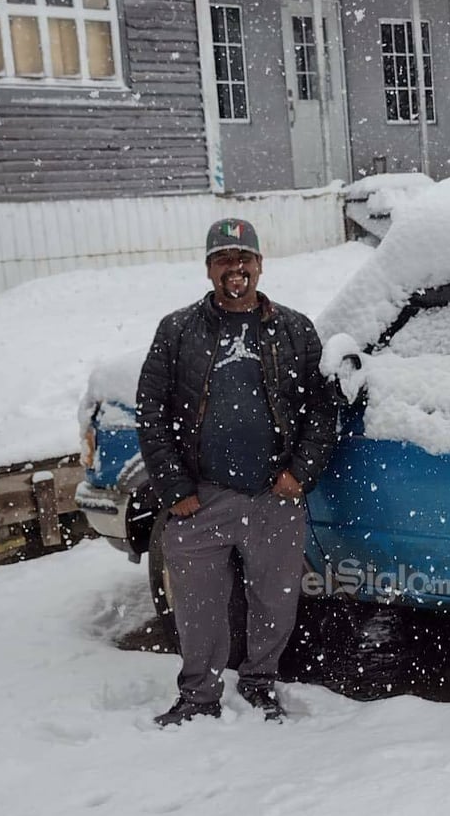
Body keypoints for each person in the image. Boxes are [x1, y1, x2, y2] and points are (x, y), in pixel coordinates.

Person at [136, 218, 338, 727]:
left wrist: (299, 473)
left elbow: (321, 408)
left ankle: (260, 682)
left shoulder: (294, 329)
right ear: (209, 270)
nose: (237, 268)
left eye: (244, 258)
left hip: (274, 495)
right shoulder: (178, 330)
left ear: (260, 265)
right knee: (198, 607)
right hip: (202, 497)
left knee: (274, 602)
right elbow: (151, 411)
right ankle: (199, 693)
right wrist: (176, 487)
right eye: (225, 259)